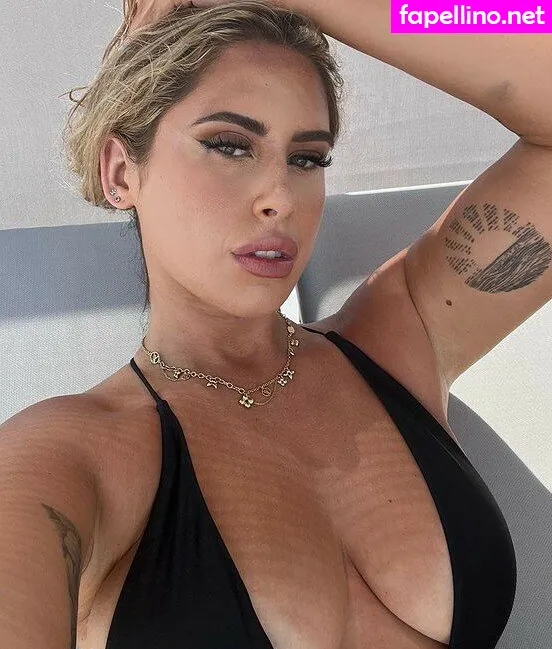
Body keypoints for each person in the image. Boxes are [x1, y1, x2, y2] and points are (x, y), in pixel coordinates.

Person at [10, 0, 552, 646]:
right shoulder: (68, 457)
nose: (281, 197)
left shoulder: (399, 338)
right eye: (229, 145)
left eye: (307, 158)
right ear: (122, 171)